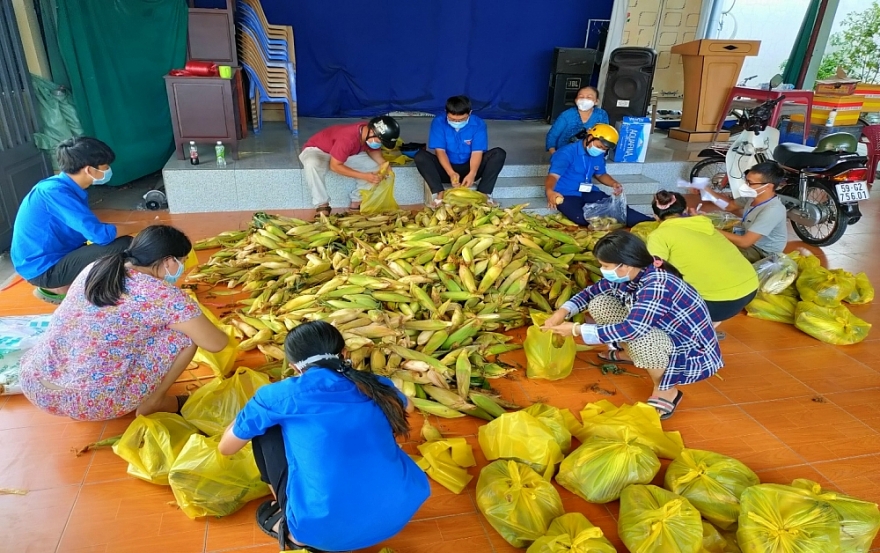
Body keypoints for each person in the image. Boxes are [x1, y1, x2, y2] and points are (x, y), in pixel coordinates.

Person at [218, 320, 429, 553]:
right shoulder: (373, 383)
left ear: (294, 366)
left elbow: (226, 448)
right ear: (344, 354)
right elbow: (409, 406)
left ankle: (293, 531)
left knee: (265, 429)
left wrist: (251, 412)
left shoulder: (277, 396)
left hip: (322, 532)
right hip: (397, 513)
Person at [18, 225, 229, 421]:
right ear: (168, 261)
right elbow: (216, 343)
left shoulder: (97, 267)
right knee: (185, 335)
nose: (182, 267)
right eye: (182, 261)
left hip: (35, 384)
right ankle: (155, 402)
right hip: (91, 403)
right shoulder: (165, 295)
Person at [542, 230, 722, 420]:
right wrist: (562, 312)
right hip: (655, 328)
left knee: (642, 342)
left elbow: (633, 329)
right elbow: (591, 293)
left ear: (625, 265)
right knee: (600, 303)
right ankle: (630, 354)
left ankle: (666, 390)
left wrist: (575, 329)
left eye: (605, 266)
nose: (603, 270)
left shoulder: (657, 284)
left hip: (688, 347)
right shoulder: (634, 272)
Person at [11, 137, 132, 304]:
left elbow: (90, 229)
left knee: (113, 243)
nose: (108, 170)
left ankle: (72, 282)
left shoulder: (62, 187)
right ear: (89, 169)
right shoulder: (55, 192)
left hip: (55, 255)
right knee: (123, 244)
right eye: (106, 167)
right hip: (44, 268)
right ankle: (58, 288)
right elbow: (100, 235)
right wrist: (144, 225)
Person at [647, 191, 759, 334]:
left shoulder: (659, 235)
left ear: (656, 217)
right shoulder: (704, 223)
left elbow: (656, 273)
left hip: (718, 303)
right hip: (749, 289)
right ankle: (707, 327)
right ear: (686, 210)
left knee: (654, 289)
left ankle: (691, 333)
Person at [545, 123, 653, 228]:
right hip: (566, 194)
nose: (601, 150)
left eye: (604, 149)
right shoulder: (565, 153)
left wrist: (613, 183)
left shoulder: (598, 154)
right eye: (599, 146)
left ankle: (652, 223)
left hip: (588, 191)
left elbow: (601, 174)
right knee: (581, 218)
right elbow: (553, 176)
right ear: (590, 137)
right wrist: (550, 191)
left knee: (620, 209)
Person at [415, 95, 506, 207]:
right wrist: (451, 173)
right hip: (445, 169)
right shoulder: (438, 122)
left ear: (470, 113)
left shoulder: (478, 124)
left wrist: (472, 173)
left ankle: (484, 194)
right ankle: (439, 193)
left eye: (462, 119)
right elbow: (440, 151)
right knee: (420, 156)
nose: (457, 122)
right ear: (446, 112)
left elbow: (477, 152)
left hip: (470, 168)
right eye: (452, 119)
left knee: (498, 154)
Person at [299, 115, 401, 216]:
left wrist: (383, 163)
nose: (379, 144)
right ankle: (322, 205)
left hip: (343, 152)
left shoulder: (367, 133)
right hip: (318, 151)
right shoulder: (348, 138)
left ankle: (357, 201)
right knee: (312, 163)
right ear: (372, 133)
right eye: (379, 142)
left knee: (376, 169)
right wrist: (364, 176)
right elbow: (335, 166)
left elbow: (373, 151)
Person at [703, 161, 789, 263]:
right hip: (747, 237)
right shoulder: (752, 196)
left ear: (768, 186)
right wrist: (706, 191)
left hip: (762, 251)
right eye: (746, 181)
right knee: (708, 240)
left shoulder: (773, 210)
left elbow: (745, 242)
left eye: (750, 183)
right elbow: (729, 206)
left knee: (712, 251)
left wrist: (710, 229)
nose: (746, 185)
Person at [546, 86, 610, 154]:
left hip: (591, 153)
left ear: (596, 101)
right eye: (581, 97)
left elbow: (606, 136)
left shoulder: (601, 115)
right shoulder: (567, 115)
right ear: (576, 100)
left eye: (589, 97)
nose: (584, 99)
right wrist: (554, 153)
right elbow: (552, 135)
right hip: (565, 152)